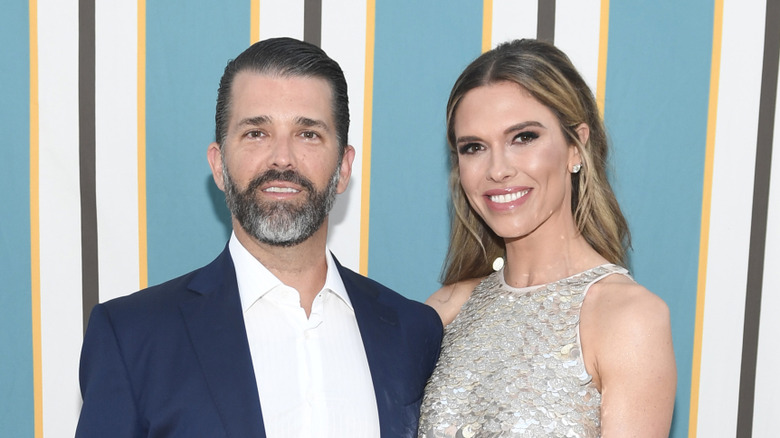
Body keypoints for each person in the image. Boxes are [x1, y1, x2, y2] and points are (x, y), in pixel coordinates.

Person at [76, 37, 442, 438]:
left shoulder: (412, 332)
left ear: (343, 168)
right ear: (219, 165)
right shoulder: (131, 337)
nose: (282, 158)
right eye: (256, 133)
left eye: (308, 134)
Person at [418, 39, 676, 437]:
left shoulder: (628, 317)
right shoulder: (448, 308)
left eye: (523, 137)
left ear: (576, 147)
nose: (498, 169)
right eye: (474, 147)